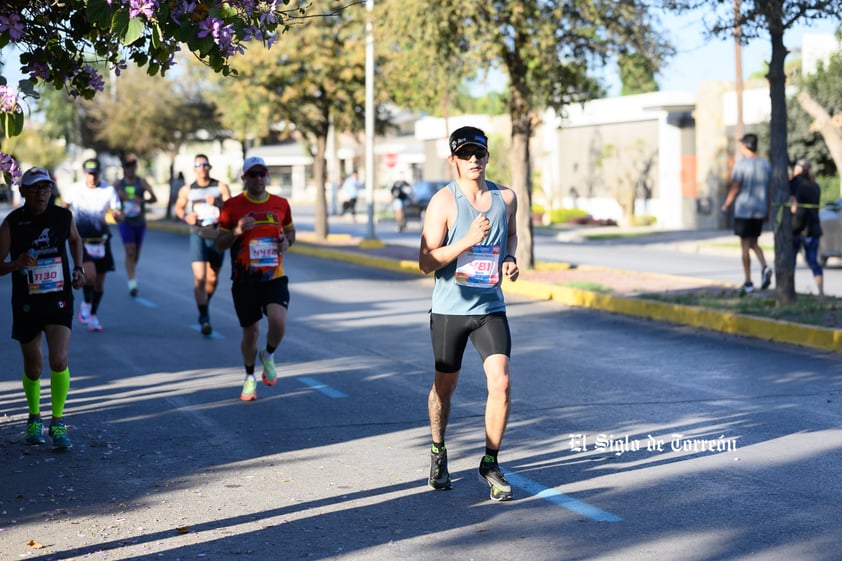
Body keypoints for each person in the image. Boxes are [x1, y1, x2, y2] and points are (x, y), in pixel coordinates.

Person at [418, 126, 520, 501]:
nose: (474, 160)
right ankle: (437, 449)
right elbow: (425, 261)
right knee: (445, 388)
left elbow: (510, 236)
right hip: (450, 311)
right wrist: (467, 240)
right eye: (465, 154)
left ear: (488, 156)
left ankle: (490, 461)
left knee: (502, 381)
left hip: (490, 307)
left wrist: (509, 259)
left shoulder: (505, 197)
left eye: (479, 153)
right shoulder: (443, 203)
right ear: (453, 160)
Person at [0, 167, 87, 449]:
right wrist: (15, 264)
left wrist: (78, 268)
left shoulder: (63, 216)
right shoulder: (13, 222)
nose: (41, 194)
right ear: (23, 191)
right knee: (34, 367)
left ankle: (58, 421)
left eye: (46, 188)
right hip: (26, 302)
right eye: (35, 188)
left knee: (59, 360)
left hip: (58, 297)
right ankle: (34, 416)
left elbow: (75, 240)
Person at [216, 157, 295, 401]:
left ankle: (268, 355)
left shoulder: (280, 204)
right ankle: (249, 376)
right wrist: (237, 232)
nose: (259, 178)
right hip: (244, 279)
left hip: (274, 276)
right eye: (253, 174)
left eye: (262, 173)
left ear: (267, 175)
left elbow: (290, 232)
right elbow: (219, 244)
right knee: (250, 332)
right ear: (244, 178)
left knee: (278, 321)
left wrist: (286, 241)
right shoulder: (232, 206)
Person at [62, 158, 122, 332]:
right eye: (89, 174)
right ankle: (87, 306)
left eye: (95, 174)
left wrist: (118, 215)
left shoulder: (108, 190)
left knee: (100, 283)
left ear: (99, 173)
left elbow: (117, 210)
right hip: (82, 240)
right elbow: (64, 209)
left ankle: (93, 315)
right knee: (90, 275)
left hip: (102, 240)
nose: (92, 177)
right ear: (83, 174)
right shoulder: (74, 189)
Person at [174, 154, 231, 336]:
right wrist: (185, 217)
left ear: (209, 167)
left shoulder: (220, 186)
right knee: (200, 276)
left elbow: (232, 208)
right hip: (197, 233)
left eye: (205, 164)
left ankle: (204, 303)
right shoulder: (187, 189)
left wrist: (219, 203)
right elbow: (179, 208)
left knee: (213, 279)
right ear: (194, 168)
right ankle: (204, 316)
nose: (202, 167)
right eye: (198, 164)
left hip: (216, 234)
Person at [721, 133, 773, 292]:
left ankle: (748, 281)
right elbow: (769, 189)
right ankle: (764, 267)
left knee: (745, 245)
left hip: (744, 210)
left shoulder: (741, 165)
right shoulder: (766, 165)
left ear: (746, 146)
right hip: (760, 209)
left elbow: (736, 186)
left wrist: (726, 204)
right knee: (754, 242)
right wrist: (767, 210)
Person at [115, 154, 158, 297]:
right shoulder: (118, 185)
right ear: (124, 169)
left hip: (139, 222)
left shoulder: (142, 182)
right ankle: (132, 283)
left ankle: (132, 271)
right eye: (128, 167)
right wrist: (117, 207)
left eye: (133, 167)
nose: (130, 170)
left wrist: (142, 201)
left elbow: (154, 198)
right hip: (125, 222)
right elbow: (109, 202)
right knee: (130, 251)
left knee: (136, 254)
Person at [789, 158, 824, 296]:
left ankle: (790, 292)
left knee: (790, 262)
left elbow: (793, 208)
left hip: (797, 228)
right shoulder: (815, 186)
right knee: (813, 262)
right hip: (813, 228)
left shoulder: (795, 184)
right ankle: (821, 292)